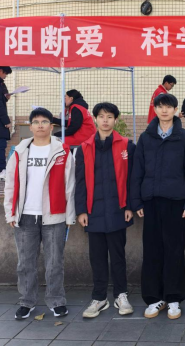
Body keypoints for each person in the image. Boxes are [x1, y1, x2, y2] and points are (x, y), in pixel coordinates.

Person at [131, 93, 185, 320]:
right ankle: (153, 298)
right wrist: (136, 201)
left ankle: (173, 298)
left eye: (168, 107)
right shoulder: (146, 137)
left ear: (175, 110)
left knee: (174, 250)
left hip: (176, 204)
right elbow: (137, 171)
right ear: (155, 109)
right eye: (160, 106)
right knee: (152, 251)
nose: (164, 110)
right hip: (150, 202)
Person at [3, 108, 76, 320]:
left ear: (52, 126)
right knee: (25, 263)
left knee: (55, 262)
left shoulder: (62, 151)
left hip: (54, 215)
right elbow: (10, 183)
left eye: (45, 122)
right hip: (25, 215)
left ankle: (56, 301)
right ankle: (26, 302)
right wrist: (10, 213)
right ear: (31, 126)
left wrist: (69, 216)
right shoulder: (19, 151)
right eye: (36, 122)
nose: (40, 125)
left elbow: (70, 185)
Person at [74, 102, 136, 318]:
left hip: (118, 209)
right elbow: (79, 182)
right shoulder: (84, 148)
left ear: (116, 120)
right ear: (95, 119)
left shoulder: (127, 146)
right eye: (101, 116)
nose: (105, 120)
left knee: (118, 256)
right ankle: (99, 297)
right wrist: (81, 211)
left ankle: (121, 295)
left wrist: (129, 206)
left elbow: (132, 179)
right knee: (97, 257)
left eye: (110, 116)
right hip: (93, 211)